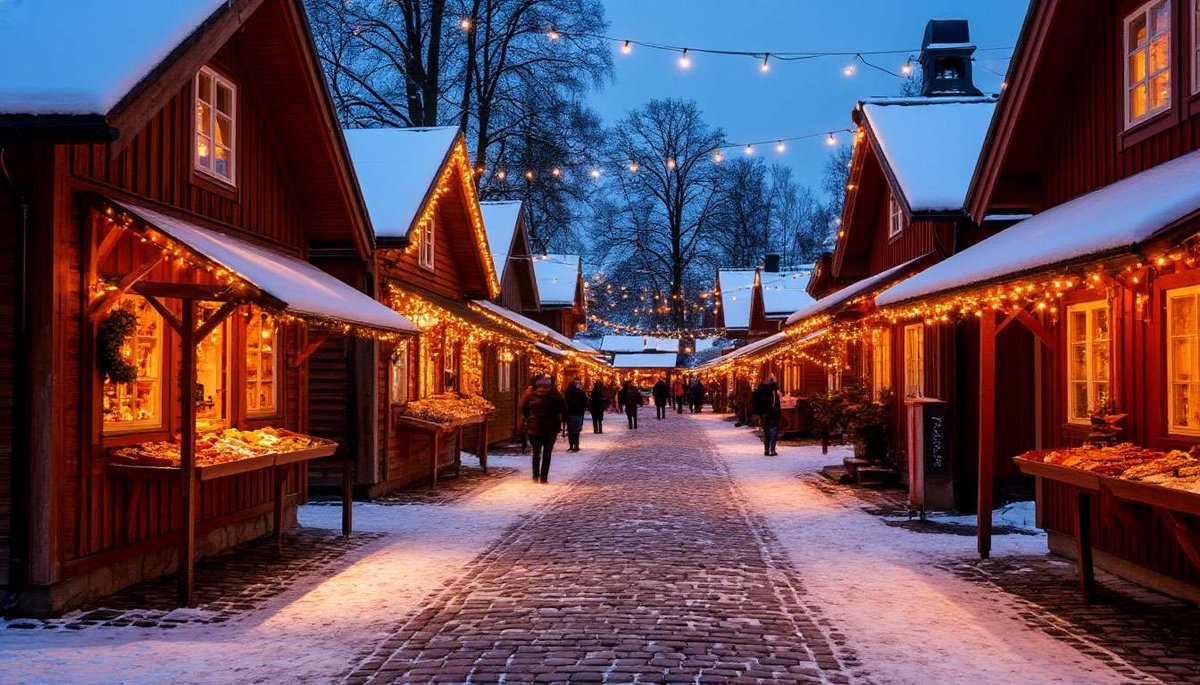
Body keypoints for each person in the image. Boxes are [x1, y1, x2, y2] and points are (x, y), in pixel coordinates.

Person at [518, 376, 566, 483]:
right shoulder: (556, 396)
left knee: (536, 453)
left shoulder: (530, 396)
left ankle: (536, 476)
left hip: (535, 429)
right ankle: (543, 478)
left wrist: (527, 421)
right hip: (549, 429)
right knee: (546, 454)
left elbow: (524, 410)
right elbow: (563, 410)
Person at [752, 375, 783, 456]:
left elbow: (755, 402)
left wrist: (759, 413)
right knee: (773, 432)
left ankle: (766, 449)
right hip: (773, 414)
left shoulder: (760, 392)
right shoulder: (773, 392)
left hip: (764, 414)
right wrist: (778, 412)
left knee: (766, 433)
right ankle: (772, 450)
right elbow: (776, 404)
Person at [564, 379, 588, 452]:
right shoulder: (580, 392)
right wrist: (582, 409)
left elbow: (564, 403)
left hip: (569, 413)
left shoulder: (567, 392)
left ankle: (571, 446)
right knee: (576, 431)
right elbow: (585, 401)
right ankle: (576, 446)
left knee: (570, 430)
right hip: (578, 413)